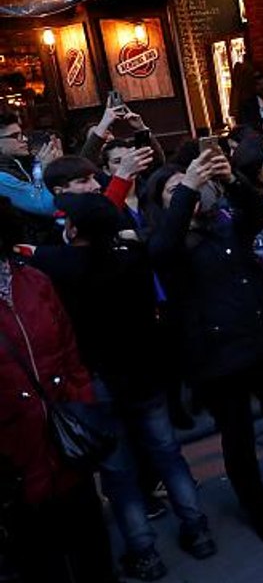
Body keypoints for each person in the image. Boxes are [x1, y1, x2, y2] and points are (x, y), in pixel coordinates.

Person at [31, 192, 215, 580]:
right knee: (167, 452)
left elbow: (27, 254)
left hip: (98, 381)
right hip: (144, 373)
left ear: (74, 228)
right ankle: (198, 531)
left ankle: (144, 551)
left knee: (119, 473)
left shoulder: (59, 265)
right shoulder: (132, 258)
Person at [147, 150, 263, 546]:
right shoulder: (165, 241)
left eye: (189, 185)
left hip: (262, 339)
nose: (188, 191)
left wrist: (232, 179)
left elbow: (257, 213)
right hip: (219, 356)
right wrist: (186, 185)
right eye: (174, 190)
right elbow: (162, 250)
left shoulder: (224, 223)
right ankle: (259, 511)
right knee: (237, 437)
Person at [0, 201, 118, 583]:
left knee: (91, 548)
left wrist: (80, 403)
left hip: (66, 444)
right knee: (41, 559)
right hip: (15, 461)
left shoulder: (35, 282)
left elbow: (69, 350)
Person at [0, 111, 58, 217]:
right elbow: (45, 206)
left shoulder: (22, 161)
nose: (24, 139)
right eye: (15, 135)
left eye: (22, 134)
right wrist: (46, 170)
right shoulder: (2, 178)